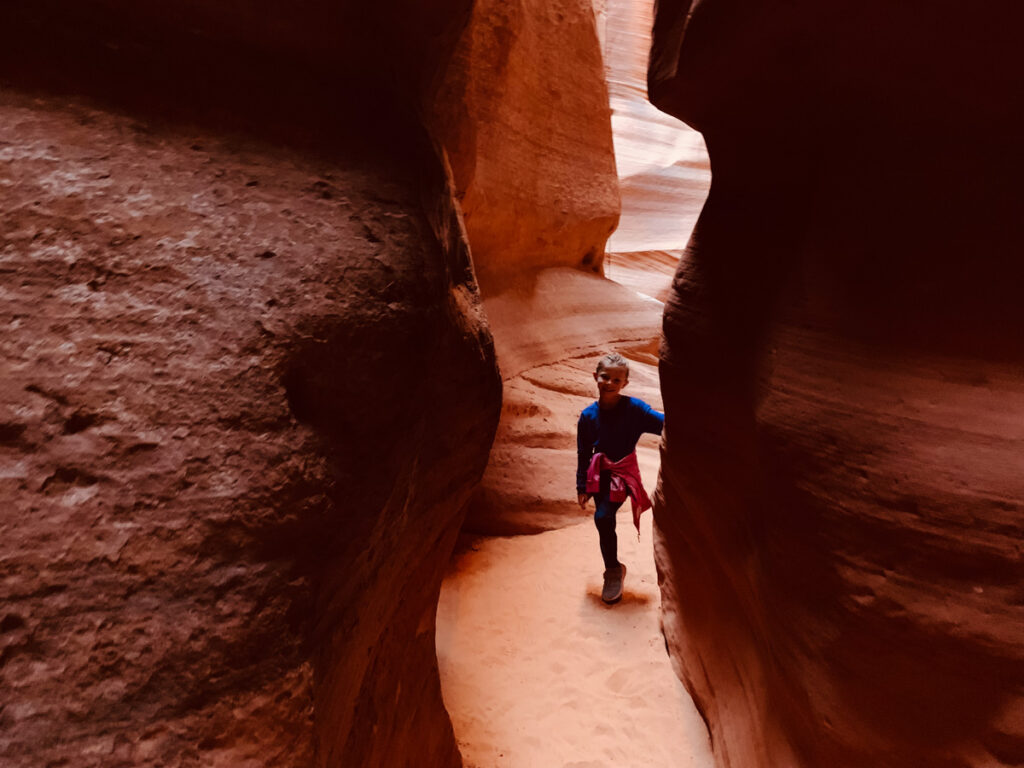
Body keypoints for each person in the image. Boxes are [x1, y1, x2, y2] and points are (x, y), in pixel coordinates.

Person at [576, 353, 664, 604]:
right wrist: (582, 485)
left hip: (623, 474)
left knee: (603, 516)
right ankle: (614, 569)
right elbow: (583, 452)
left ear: (625, 384)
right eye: (605, 377)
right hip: (599, 476)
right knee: (604, 522)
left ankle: (612, 570)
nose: (610, 383)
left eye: (617, 379)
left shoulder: (635, 410)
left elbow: (664, 424)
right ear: (596, 377)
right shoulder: (588, 416)